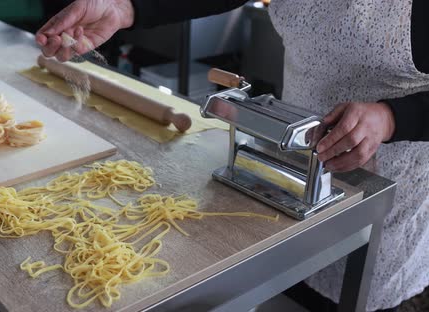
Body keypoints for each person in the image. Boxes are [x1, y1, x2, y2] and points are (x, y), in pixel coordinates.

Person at [36, 1, 429, 311]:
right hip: (287, 155)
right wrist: (126, 6)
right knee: (287, 280)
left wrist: (391, 118)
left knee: (355, 289)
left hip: (389, 173)